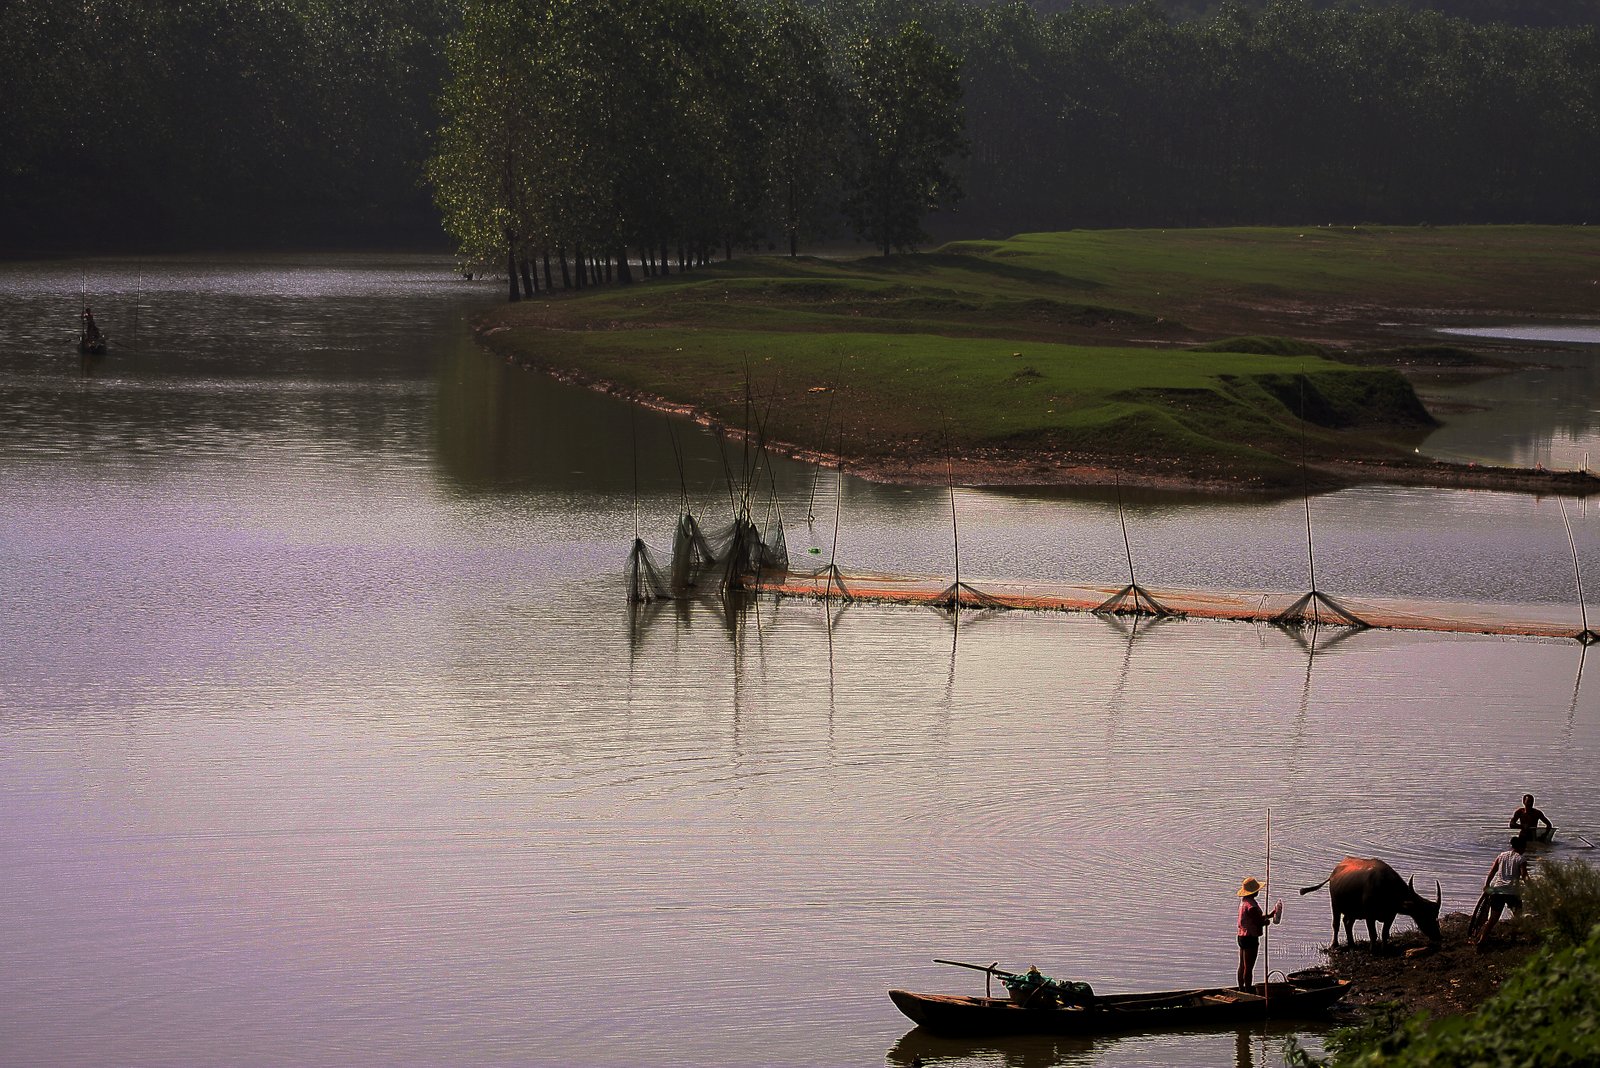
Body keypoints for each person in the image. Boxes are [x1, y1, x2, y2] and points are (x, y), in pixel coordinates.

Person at [1472, 837, 1527, 948]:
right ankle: (1513, 939)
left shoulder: (1501, 856)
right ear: (1521, 847)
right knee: (1518, 916)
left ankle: (1482, 940)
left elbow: (1492, 871)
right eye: (1524, 847)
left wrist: (1487, 885)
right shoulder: (1521, 859)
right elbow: (1524, 876)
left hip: (1497, 890)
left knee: (1493, 918)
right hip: (1512, 892)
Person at [1236, 876, 1282, 988]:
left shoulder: (1244, 902)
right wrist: (1266, 922)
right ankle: (1247, 990)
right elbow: (1258, 922)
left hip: (1241, 936)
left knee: (1242, 965)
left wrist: (1270, 915)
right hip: (1250, 938)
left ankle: (1241, 988)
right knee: (1249, 967)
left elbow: (1257, 918)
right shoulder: (1251, 906)